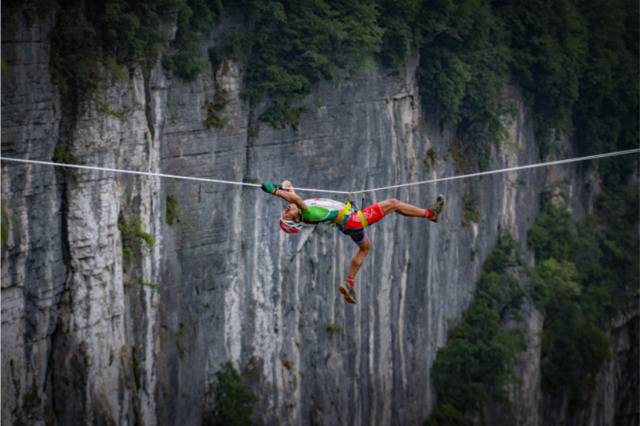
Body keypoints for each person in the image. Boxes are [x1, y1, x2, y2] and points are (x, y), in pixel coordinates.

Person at [261, 180, 445, 304]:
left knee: (365, 248)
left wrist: (280, 185)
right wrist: (275, 191)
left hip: (347, 224)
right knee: (393, 203)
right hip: (353, 220)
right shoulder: (307, 213)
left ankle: (349, 283)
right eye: (286, 214)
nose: (286, 209)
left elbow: (288, 185)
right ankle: (431, 214)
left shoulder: (299, 209)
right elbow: (294, 197)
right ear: (295, 219)